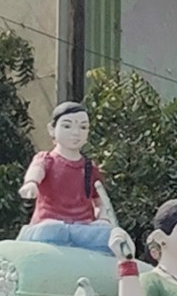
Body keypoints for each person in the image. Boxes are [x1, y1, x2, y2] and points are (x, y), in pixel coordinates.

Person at [17, 101, 131, 254]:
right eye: (67, 126)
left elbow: (100, 202)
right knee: (51, 231)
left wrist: (103, 219)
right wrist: (31, 184)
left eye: (83, 127)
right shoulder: (47, 159)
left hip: (83, 228)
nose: (75, 132)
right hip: (51, 224)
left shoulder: (90, 167)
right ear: (52, 129)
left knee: (108, 236)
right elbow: (36, 172)